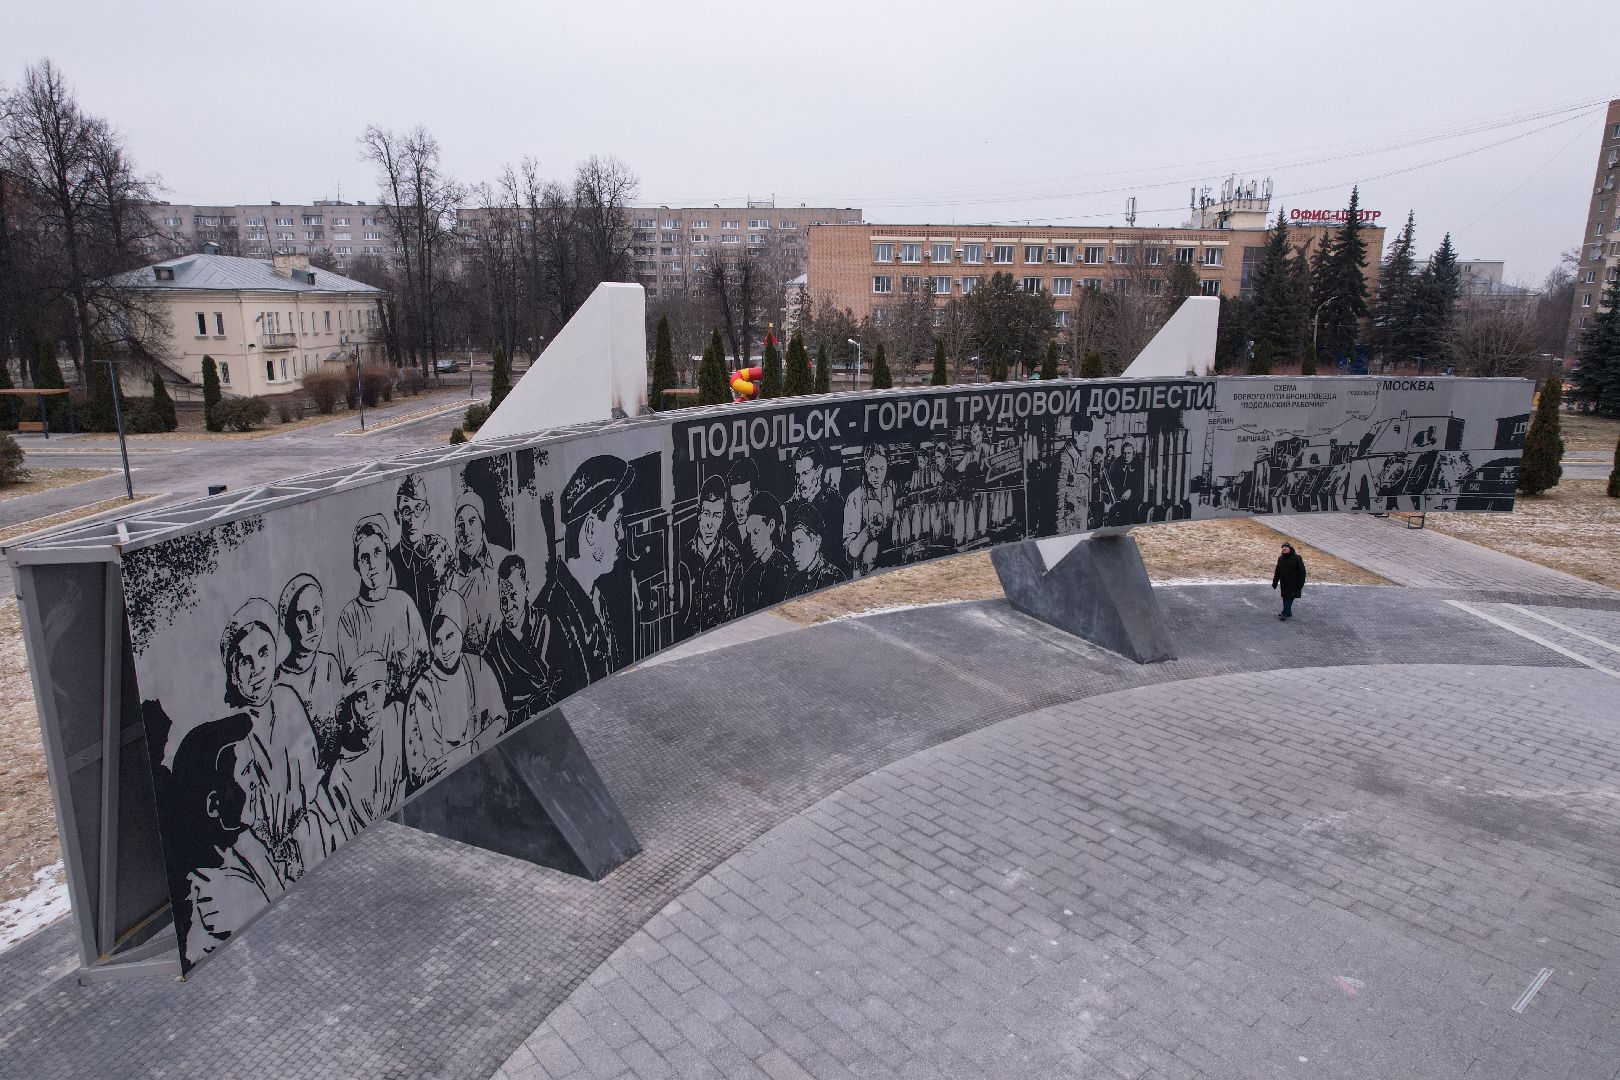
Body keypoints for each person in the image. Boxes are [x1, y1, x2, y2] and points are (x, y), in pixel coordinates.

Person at [219, 599, 332, 882]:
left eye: (263, 653)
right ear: (234, 673)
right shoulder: (233, 730)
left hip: (308, 832)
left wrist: (301, 829)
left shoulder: (287, 699)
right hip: (264, 852)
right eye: (246, 661)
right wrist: (275, 844)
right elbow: (244, 807)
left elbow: (310, 768)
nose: (257, 669)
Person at [171, 713, 287, 966]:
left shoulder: (246, 846)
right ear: (215, 803)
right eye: (246, 772)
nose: (258, 781)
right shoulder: (213, 898)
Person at [535, 455, 632, 694]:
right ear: (590, 530)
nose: (622, 535)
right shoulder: (551, 615)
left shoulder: (596, 598)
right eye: (616, 522)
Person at [405, 593, 506, 787]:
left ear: (461, 631)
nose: (444, 648)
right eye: (438, 641)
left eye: (450, 636)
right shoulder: (423, 690)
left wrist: (471, 748)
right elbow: (422, 771)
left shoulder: (477, 666)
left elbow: (500, 719)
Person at [337, 515, 429, 705]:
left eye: (377, 552)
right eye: (364, 558)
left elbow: (424, 661)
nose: (372, 565)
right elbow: (354, 683)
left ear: (387, 555)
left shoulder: (404, 604)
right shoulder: (349, 617)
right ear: (357, 564)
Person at [326, 652, 406, 837]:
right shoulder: (340, 775)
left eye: (376, 688)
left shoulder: (398, 716)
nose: (370, 703)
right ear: (351, 704)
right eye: (361, 697)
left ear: (385, 688)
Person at [275, 574, 344, 773]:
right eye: (302, 617)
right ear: (287, 623)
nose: (313, 625)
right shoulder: (278, 681)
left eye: (316, 611)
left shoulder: (328, 664)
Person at [487, 554, 557, 724]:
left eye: (513, 596)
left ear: (526, 589)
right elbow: (497, 703)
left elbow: (563, 673)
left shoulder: (546, 623)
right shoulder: (494, 648)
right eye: (503, 600)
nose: (508, 607)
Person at [675, 474, 742, 637]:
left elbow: (736, 610)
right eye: (707, 513)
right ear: (699, 514)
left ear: (723, 517)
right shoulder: (682, 556)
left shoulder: (732, 557)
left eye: (716, 515)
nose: (710, 523)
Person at [448, 492, 509, 656]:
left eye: (471, 521)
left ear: (482, 524)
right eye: (460, 525)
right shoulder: (451, 576)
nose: (466, 531)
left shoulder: (503, 559)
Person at [389, 473, 453, 626]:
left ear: (426, 511)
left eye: (418, 508)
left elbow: (452, 601)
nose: (412, 518)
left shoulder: (440, 550)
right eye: (406, 510)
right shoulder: (390, 562)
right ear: (397, 516)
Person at [783, 445, 848, 574]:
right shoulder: (790, 507)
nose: (801, 481)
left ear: (818, 471)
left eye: (805, 473)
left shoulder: (834, 502)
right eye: (798, 475)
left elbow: (837, 551)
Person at [844, 444, 896, 576]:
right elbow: (851, 553)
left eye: (882, 469)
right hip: (863, 573)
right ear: (865, 467)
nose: (878, 475)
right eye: (873, 469)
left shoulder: (889, 492)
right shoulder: (855, 498)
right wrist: (867, 532)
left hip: (889, 566)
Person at [740, 491, 793, 610]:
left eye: (756, 532)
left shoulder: (786, 571)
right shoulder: (748, 577)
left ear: (771, 526)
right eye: (750, 534)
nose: (752, 540)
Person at [786, 510, 845, 597]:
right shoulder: (795, 581)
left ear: (816, 542)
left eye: (800, 543)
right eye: (794, 545)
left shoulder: (834, 577)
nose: (794, 553)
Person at [724, 458, 758, 564]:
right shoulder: (727, 534)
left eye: (743, 501)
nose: (739, 509)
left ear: (754, 495)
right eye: (735, 502)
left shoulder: (765, 532)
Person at [1055, 428, 1089, 534]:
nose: (1087, 440)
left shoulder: (1080, 455)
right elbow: (1059, 498)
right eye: (1085, 435)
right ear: (1076, 433)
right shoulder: (1064, 458)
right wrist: (1059, 530)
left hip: (1079, 522)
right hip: (1068, 526)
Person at [1272, 542, 1307, 620]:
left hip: (1294, 583)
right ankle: (1288, 612)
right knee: (1285, 597)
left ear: (1290, 549)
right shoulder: (1281, 559)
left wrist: (1300, 584)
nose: (1284, 549)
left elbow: (1302, 572)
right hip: (1284, 583)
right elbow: (1278, 571)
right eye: (1283, 548)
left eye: (1285, 548)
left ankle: (1285, 613)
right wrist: (1275, 582)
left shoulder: (1297, 558)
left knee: (1289, 598)